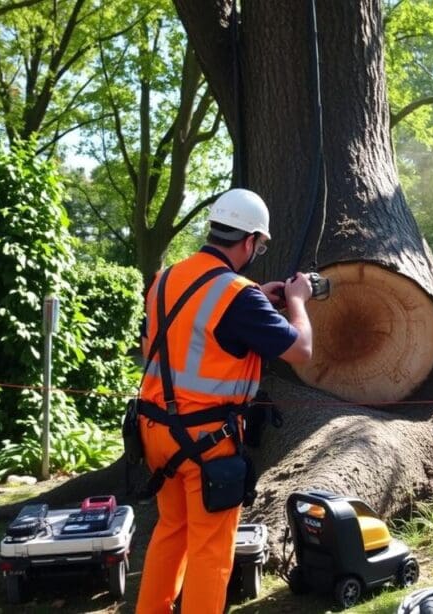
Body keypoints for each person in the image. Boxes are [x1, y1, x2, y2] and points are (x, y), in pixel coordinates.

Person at [135, 188, 313, 614]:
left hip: (155, 432)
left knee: (171, 531)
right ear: (251, 241)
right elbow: (301, 350)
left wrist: (256, 300)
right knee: (211, 551)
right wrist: (297, 303)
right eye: (260, 244)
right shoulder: (238, 295)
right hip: (206, 442)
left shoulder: (166, 279)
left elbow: (156, 349)